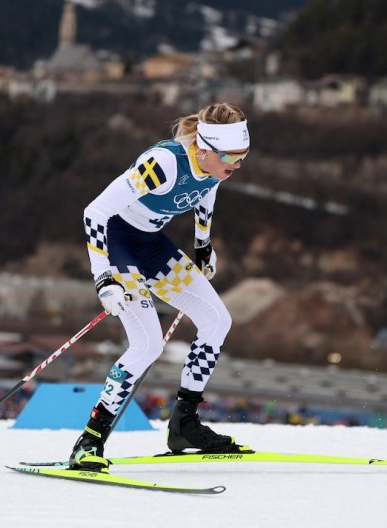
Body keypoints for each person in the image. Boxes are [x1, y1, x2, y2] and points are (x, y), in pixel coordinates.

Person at [69, 102, 251, 471]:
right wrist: (103, 277)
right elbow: (95, 212)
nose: (237, 166)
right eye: (231, 157)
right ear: (204, 149)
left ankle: (185, 425)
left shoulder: (215, 167)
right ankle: (90, 440)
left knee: (217, 320)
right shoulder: (163, 164)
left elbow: (207, 192)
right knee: (148, 344)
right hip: (117, 244)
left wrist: (203, 245)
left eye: (243, 157)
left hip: (152, 245)